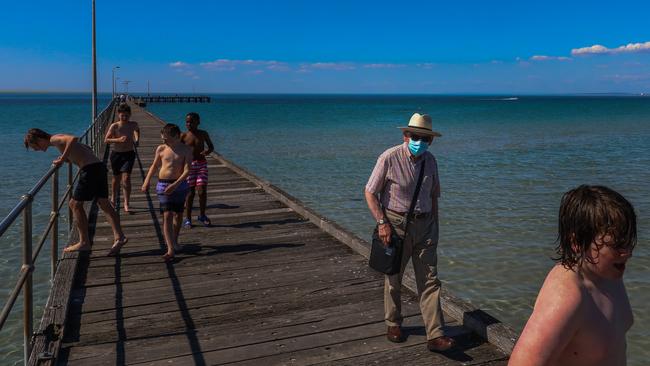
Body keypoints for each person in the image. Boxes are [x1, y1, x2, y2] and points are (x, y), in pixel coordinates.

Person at [509, 185, 636, 366]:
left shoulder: (609, 274)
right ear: (576, 242)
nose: (628, 252)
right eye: (617, 245)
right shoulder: (567, 296)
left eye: (629, 241)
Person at [364, 113, 455, 352]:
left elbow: (434, 195)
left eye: (424, 138)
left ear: (431, 141)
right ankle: (393, 323)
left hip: (425, 225)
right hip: (395, 224)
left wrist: (435, 225)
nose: (419, 141)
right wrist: (382, 222)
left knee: (430, 281)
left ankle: (435, 335)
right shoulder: (389, 157)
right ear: (405, 136)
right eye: (415, 136)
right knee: (394, 277)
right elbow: (370, 192)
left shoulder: (431, 161)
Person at [24, 128, 127, 255]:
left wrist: (63, 159)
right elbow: (86, 148)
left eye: (35, 146)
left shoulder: (54, 139)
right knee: (104, 203)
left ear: (39, 139)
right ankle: (119, 237)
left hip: (90, 170)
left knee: (74, 204)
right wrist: (68, 158)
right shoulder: (57, 141)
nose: (36, 150)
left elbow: (73, 138)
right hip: (98, 167)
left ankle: (84, 242)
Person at [141, 123, 192, 261]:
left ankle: (174, 240)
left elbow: (187, 171)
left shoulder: (186, 150)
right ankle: (170, 249)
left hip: (180, 185)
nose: (164, 141)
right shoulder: (161, 148)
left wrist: (176, 185)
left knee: (178, 214)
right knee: (167, 214)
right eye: (163, 138)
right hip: (163, 185)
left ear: (176, 136)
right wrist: (146, 181)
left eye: (166, 138)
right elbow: (154, 165)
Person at [104, 103, 140, 213]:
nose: (124, 118)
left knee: (126, 178)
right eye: (122, 115)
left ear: (130, 115)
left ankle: (126, 203)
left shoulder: (133, 124)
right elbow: (106, 140)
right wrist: (118, 140)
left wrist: (137, 140)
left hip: (129, 154)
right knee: (116, 179)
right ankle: (113, 198)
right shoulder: (115, 126)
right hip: (116, 154)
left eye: (126, 116)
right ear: (118, 114)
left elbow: (137, 130)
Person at [181, 112, 214, 228]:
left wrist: (207, 152)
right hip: (189, 166)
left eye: (191, 122)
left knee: (202, 191)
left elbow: (211, 146)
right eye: (187, 122)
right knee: (190, 193)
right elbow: (178, 150)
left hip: (201, 164)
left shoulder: (203, 134)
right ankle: (188, 218)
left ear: (198, 122)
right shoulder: (183, 136)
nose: (189, 124)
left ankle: (202, 215)